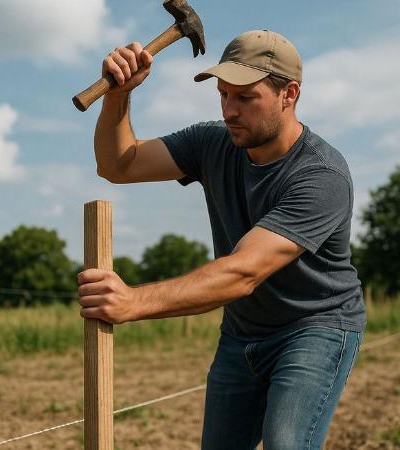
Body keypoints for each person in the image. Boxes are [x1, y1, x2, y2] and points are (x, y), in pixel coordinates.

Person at [77, 29, 365, 450]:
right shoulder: (214, 142)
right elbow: (118, 164)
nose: (230, 109)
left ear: (289, 94)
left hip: (315, 328)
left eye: (245, 98)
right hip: (242, 332)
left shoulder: (322, 176)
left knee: (286, 443)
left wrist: (133, 301)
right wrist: (118, 95)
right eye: (223, 94)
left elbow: (243, 272)